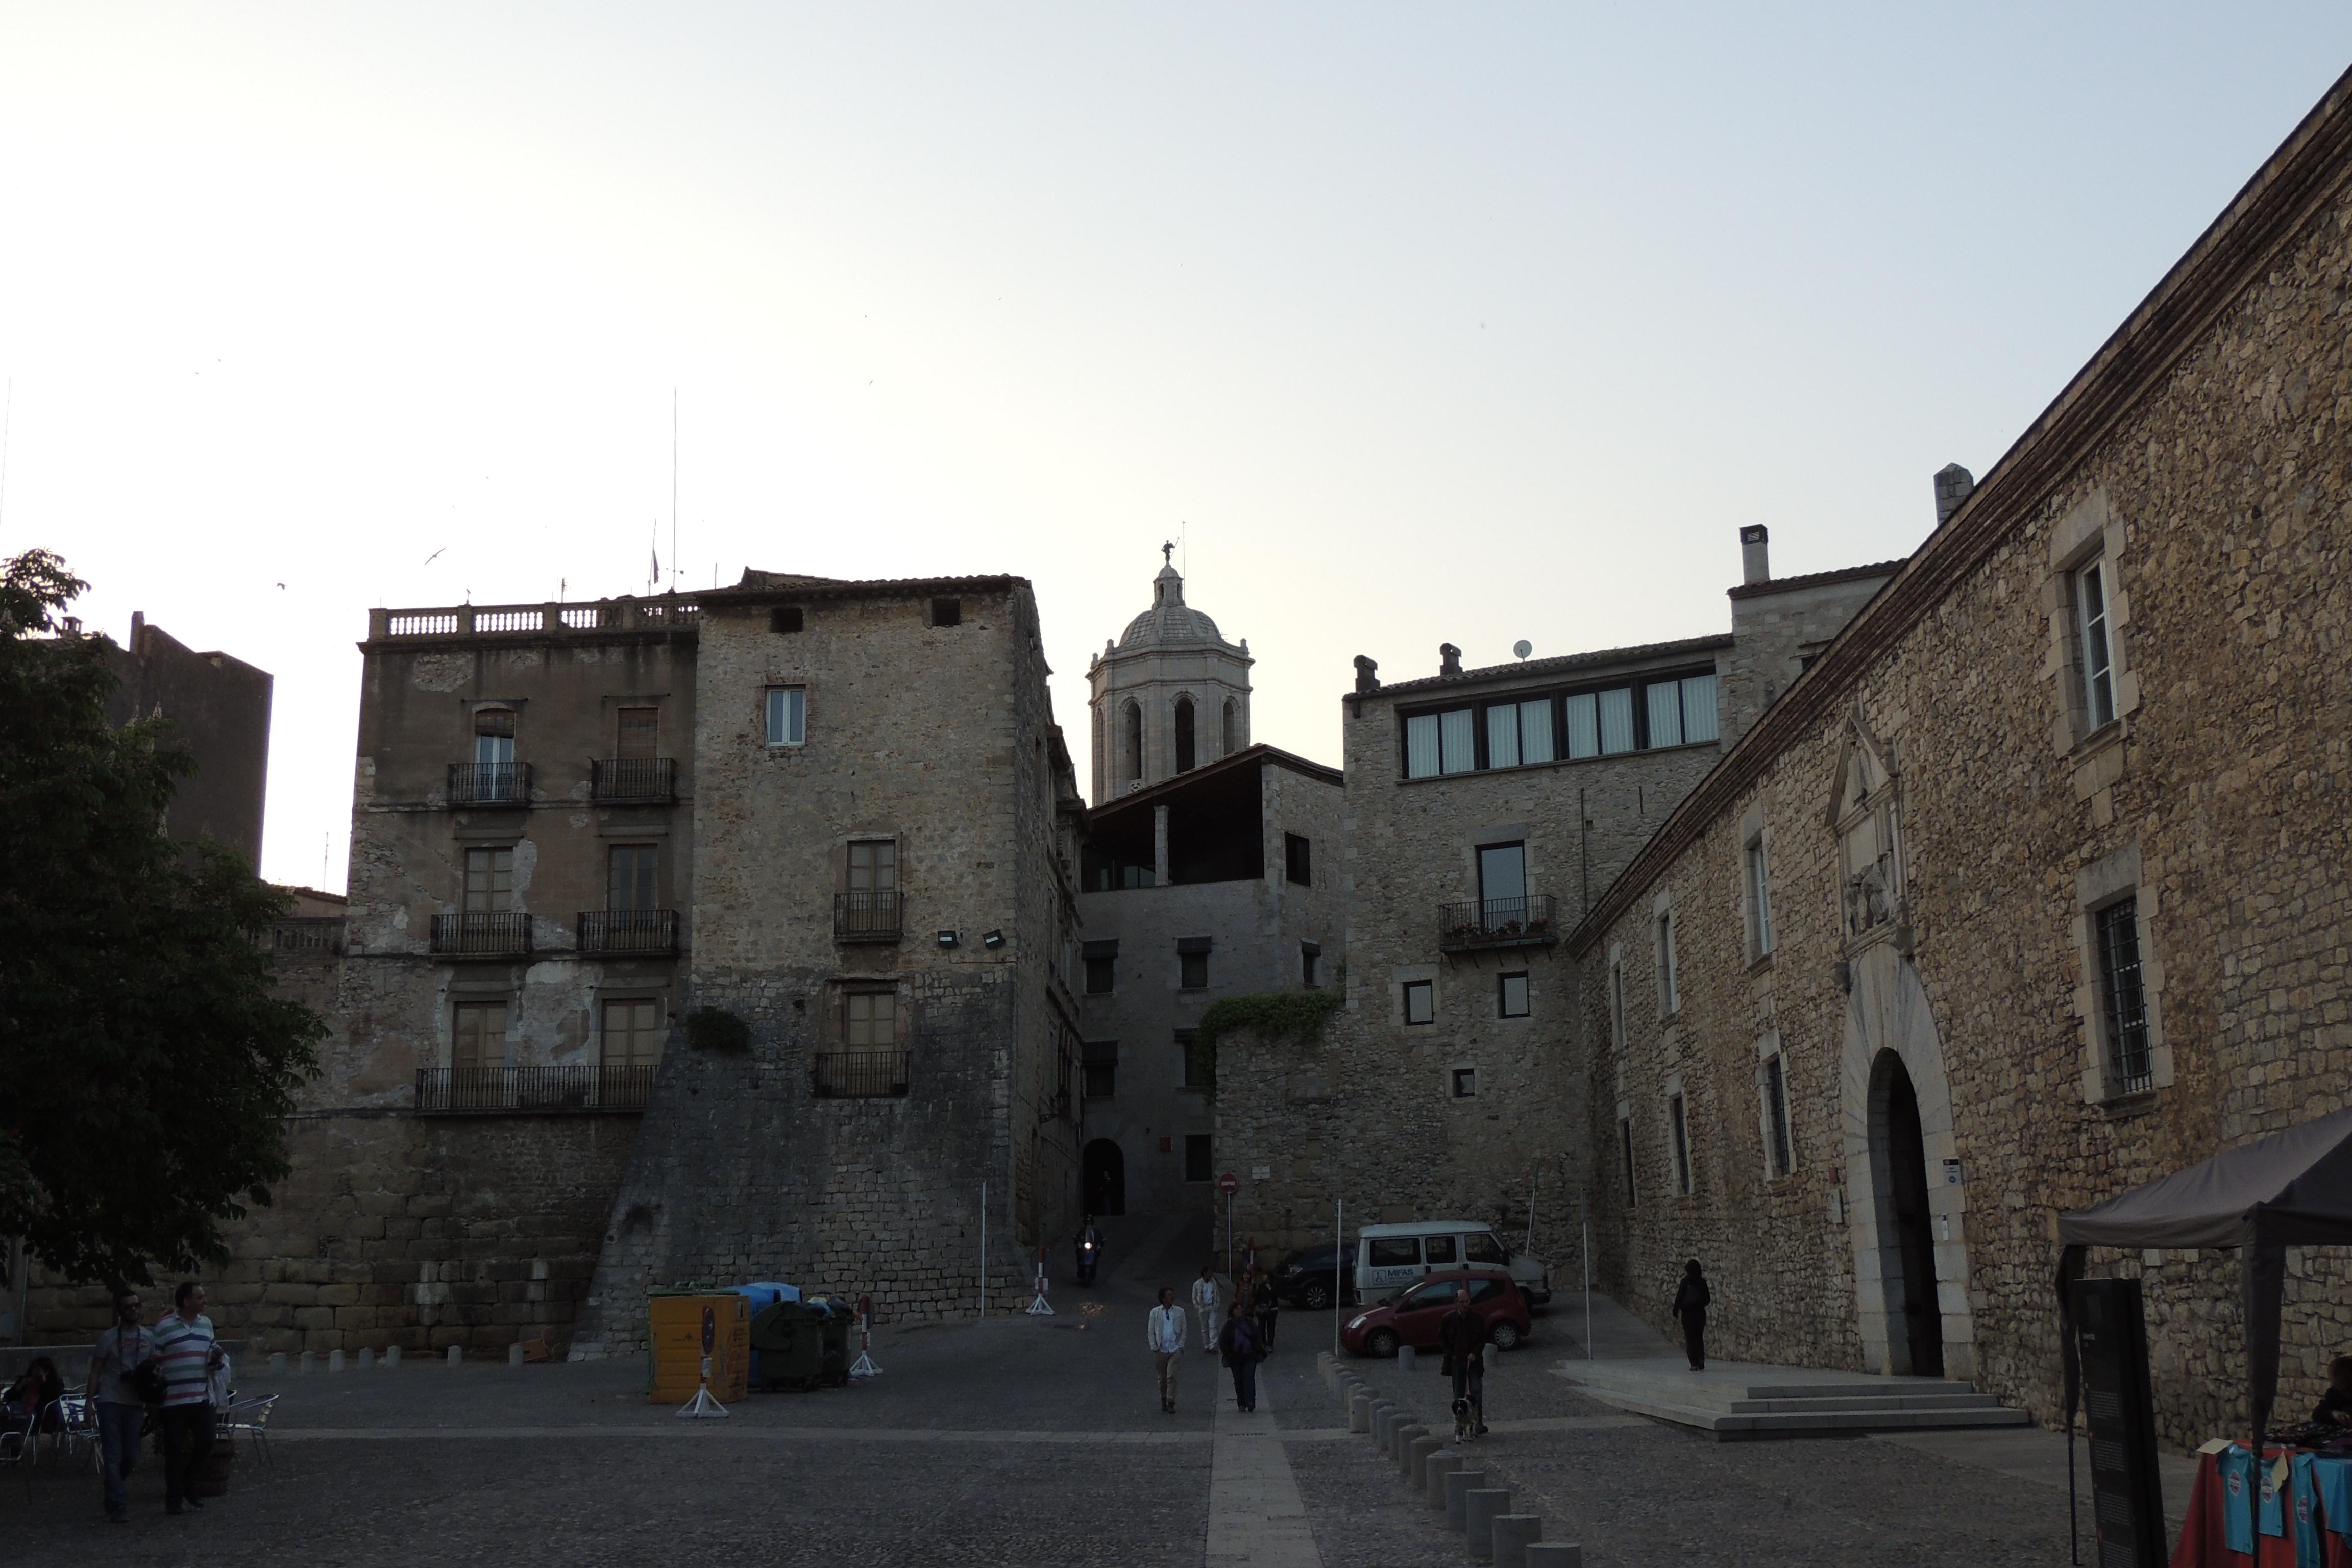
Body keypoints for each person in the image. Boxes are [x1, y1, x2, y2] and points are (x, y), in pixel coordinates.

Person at [153, 1280, 225, 1515]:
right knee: (173, 1451)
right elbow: (154, 1359)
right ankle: (174, 1499)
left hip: (201, 1395)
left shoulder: (206, 1325)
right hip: (174, 1400)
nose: (205, 1301)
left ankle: (187, 1484)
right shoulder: (164, 1327)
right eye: (200, 1297)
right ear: (186, 1302)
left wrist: (216, 1359)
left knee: (207, 1440)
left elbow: (211, 1356)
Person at [88, 1290, 155, 1523]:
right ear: (120, 1310)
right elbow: (96, 1371)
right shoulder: (108, 1338)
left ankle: (112, 1484)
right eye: (128, 1306)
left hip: (135, 1402)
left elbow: (153, 1369)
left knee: (133, 1457)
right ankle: (118, 1502)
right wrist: (89, 1403)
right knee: (113, 1455)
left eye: (137, 1305)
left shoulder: (149, 1337)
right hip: (111, 1401)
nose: (133, 1310)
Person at [1438, 1286, 1488, 1439]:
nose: (1465, 1305)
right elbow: (1442, 1338)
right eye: (1462, 1302)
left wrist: (1475, 1352)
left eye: (1467, 1301)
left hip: (1473, 1360)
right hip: (1457, 1361)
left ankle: (1477, 1423)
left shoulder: (1478, 1319)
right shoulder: (1448, 1319)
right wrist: (1450, 1354)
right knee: (1458, 1394)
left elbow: (1482, 1339)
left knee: (1476, 1392)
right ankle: (1459, 1427)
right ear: (1456, 1303)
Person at [1146, 1286, 1187, 1414]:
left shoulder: (1180, 1312)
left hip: (1175, 1348)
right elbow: (1151, 1331)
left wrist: (1181, 1346)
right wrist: (1154, 1347)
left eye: (1173, 1295)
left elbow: (1184, 1330)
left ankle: (1171, 1401)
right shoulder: (1155, 1312)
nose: (1172, 1297)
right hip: (1161, 1349)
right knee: (1162, 1378)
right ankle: (1163, 1399)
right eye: (1169, 1295)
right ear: (1163, 1298)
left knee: (1172, 1376)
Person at [1218, 1301, 1261, 1414]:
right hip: (1235, 1357)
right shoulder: (1228, 1326)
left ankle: (1250, 1401)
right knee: (1238, 1380)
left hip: (1249, 1355)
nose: (1239, 1311)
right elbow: (1223, 1341)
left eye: (1240, 1308)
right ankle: (1241, 1402)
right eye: (1236, 1309)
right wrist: (1228, 1353)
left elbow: (1257, 1336)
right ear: (1232, 1311)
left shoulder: (1249, 1323)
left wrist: (1256, 1349)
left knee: (1249, 1377)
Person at [3, 1355, 65, 1432]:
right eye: (34, 1369)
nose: (34, 1372)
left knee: (27, 1419)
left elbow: (53, 1396)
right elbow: (8, 1396)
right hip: (20, 1407)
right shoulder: (26, 1380)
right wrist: (19, 1386)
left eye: (38, 1370)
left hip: (38, 1412)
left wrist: (44, 1383)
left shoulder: (55, 1383)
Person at [1672, 1259, 1711, 1372]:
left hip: (1687, 1314)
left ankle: (1693, 1364)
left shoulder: (1685, 1282)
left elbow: (1679, 1297)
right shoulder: (1702, 1282)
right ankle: (1701, 1360)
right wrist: (1699, 1303)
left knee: (1690, 1338)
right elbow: (1707, 1299)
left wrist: (1676, 1310)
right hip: (1699, 1313)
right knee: (1699, 1337)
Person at [1191, 1264, 1222, 1355]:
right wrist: (1198, 1307)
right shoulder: (1197, 1284)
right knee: (1204, 1328)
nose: (1211, 1275)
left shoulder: (1213, 1283)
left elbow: (1217, 1293)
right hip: (1203, 1307)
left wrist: (1217, 1304)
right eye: (1209, 1273)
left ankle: (1213, 1345)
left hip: (1212, 1306)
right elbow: (1194, 1297)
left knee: (1213, 1326)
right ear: (1204, 1273)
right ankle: (1206, 1345)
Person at [2313, 1356, 2352, 1426]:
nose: (2347, 1394)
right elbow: (2317, 1414)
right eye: (2341, 1390)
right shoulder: (2335, 1393)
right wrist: (2333, 1414)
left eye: (2348, 1388)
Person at [1252, 1267, 1280, 1352]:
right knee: (1261, 1327)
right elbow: (1257, 1297)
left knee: (1271, 1328)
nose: (1263, 1277)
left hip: (1272, 1310)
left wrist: (1270, 1289)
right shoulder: (1261, 1286)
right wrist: (1257, 1305)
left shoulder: (1275, 1285)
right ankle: (1263, 1342)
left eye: (1265, 1275)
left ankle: (1270, 1344)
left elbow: (1276, 1296)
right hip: (1262, 1309)